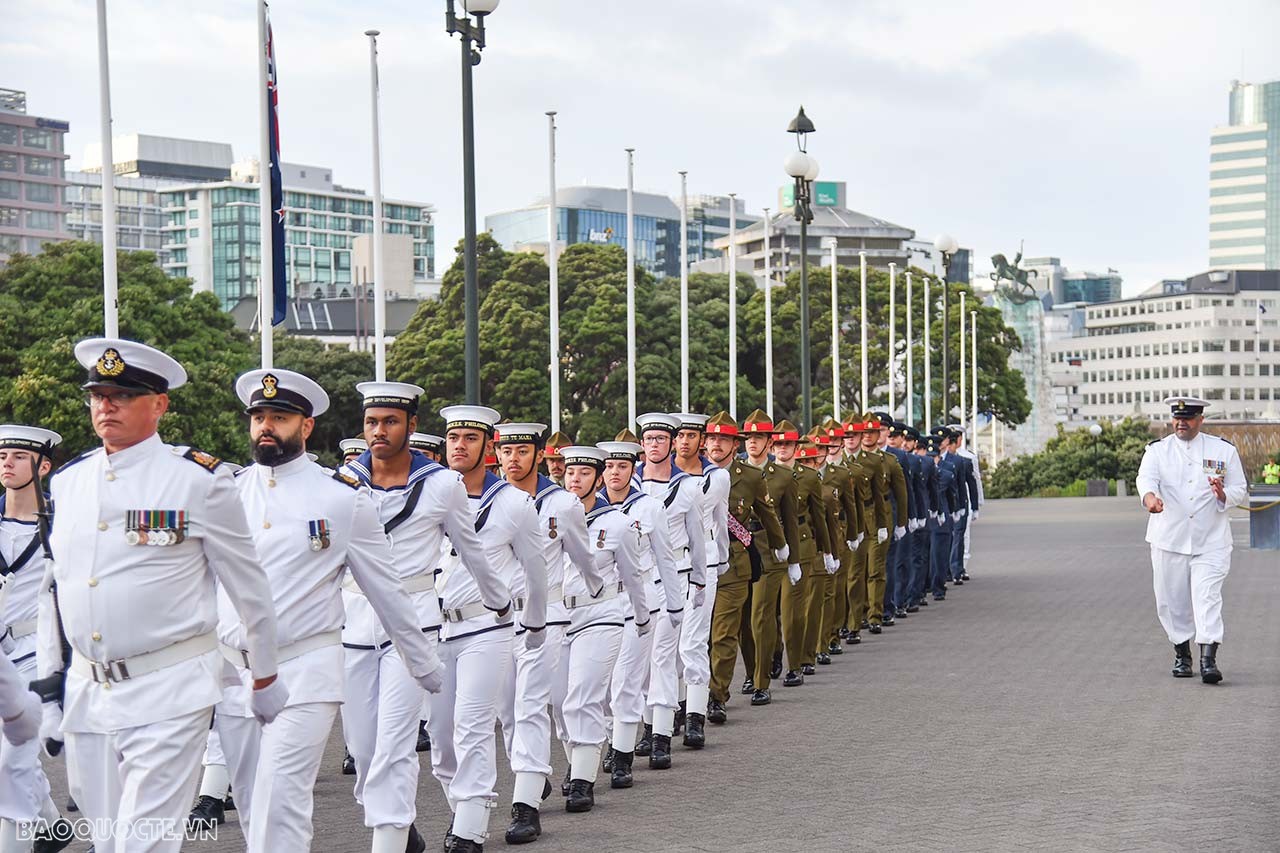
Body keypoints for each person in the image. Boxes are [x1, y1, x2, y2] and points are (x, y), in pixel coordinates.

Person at [38, 338, 282, 853]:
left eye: (122, 395)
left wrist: (264, 674)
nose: (106, 405)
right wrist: (50, 684)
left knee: (141, 843)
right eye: (98, 394)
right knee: (106, 840)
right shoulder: (68, 481)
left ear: (159, 404)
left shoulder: (199, 480)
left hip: (169, 686)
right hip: (89, 688)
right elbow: (55, 587)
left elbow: (248, 586)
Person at [217, 369, 444, 853]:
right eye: (258, 417)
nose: (265, 427)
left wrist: (423, 663)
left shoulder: (342, 499)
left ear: (306, 426)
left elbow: (385, 589)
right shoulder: (225, 494)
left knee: (281, 805)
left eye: (279, 417)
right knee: (253, 805)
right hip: (234, 674)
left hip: (305, 669)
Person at [434, 405, 543, 852]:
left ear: (488, 447)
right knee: (440, 741)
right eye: (454, 438)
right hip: (434, 630)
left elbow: (536, 572)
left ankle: (470, 829)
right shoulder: (429, 496)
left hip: (488, 626)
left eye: (471, 439)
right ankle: (463, 809)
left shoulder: (514, 504)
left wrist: (534, 624)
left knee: (472, 725)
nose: (460, 446)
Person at [494, 423, 600, 844]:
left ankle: (524, 805)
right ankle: (531, 774)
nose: (513, 458)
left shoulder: (562, 503)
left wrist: (597, 593)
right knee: (505, 710)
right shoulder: (488, 500)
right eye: (506, 451)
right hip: (497, 620)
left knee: (531, 704)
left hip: (548, 616)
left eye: (522, 450)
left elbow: (584, 556)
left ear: (539, 455)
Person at [556, 446, 648, 813]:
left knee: (583, 696)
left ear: (596, 479)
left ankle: (583, 779)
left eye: (583, 474)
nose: (575, 480)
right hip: (558, 617)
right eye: (570, 473)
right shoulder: (550, 517)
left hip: (603, 614)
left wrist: (642, 617)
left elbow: (633, 574)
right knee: (557, 702)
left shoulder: (618, 524)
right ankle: (578, 758)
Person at [1135, 397, 1247, 684]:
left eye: (1188, 418)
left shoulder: (1223, 450)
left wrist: (1223, 494)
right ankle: (1182, 653)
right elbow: (1145, 479)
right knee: (1172, 601)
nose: (1181, 423)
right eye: (1177, 418)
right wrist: (1150, 499)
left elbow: (1239, 489)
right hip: (1169, 538)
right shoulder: (1158, 451)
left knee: (1207, 597)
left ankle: (1208, 659)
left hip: (1211, 539)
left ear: (1200, 419)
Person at [0, 425, 74, 851]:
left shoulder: (61, 523)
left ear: (42, 466)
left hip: (35, 651)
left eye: (18, 456)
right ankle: (53, 829)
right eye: (3, 455)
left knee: (13, 759)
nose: (7, 462)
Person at [597, 437, 681, 790]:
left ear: (633, 470)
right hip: (598, 604)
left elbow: (665, 557)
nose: (615, 473)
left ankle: (623, 754)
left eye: (622, 467)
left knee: (627, 681)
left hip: (641, 600)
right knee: (599, 687)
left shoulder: (648, 508)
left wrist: (675, 604)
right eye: (610, 466)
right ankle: (600, 745)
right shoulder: (587, 506)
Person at [634, 412, 706, 768]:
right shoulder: (627, 484)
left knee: (663, 656)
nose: (655, 445)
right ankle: (648, 726)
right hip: (635, 581)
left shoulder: (688, 487)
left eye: (662, 439)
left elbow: (698, 538)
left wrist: (701, 581)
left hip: (674, 576)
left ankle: (661, 735)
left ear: (672, 443)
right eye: (649, 440)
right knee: (640, 663)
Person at [703, 413, 785, 724]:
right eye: (711, 438)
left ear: (733, 444)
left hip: (733, 564)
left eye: (723, 439)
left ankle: (717, 695)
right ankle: (694, 696)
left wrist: (781, 548)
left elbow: (768, 516)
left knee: (725, 633)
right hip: (695, 565)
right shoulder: (692, 476)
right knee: (702, 637)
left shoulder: (749, 476)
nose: (716, 444)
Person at [736, 411, 803, 705]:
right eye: (748, 438)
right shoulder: (731, 473)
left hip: (770, 549)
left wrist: (793, 559)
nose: (752, 443)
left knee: (760, 615)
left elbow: (790, 522)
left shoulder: (784, 476)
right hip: (738, 549)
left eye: (758, 438)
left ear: (769, 442)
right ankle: (752, 671)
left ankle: (762, 682)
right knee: (743, 620)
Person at [670, 412, 727, 750]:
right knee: (668, 644)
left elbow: (719, 521)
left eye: (692, 435)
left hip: (700, 561)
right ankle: (673, 707)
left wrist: (719, 564)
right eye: (681, 436)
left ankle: (694, 716)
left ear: (701, 441)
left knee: (692, 640)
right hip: (667, 564)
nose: (686, 441)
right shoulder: (658, 477)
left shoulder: (715, 477)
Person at [0, 648, 44, 853]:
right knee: (19, 770)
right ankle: (51, 829)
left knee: (14, 771)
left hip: (26, 660)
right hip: (19, 663)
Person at [950, 425, 983, 579]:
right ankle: (951, 567)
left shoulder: (968, 458)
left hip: (965, 501)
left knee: (963, 536)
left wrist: (977, 504)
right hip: (949, 503)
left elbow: (975, 482)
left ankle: (962, 566)